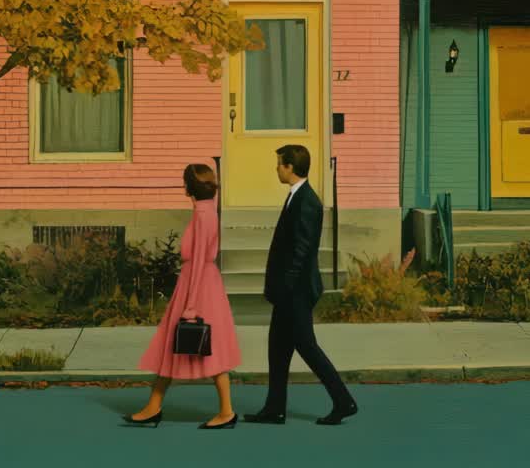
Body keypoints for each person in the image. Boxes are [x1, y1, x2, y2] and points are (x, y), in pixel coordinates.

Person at [243, 144, 359, 426]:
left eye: (279, 164)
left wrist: (286, 289)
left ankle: (343, 401)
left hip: (295, 292)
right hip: (288, 291)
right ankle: (275, 408)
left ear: (290, 168)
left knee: (307, 347)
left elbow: (301, 251)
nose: (276, 168)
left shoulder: (307, 202)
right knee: (278, 349)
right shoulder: (297, 196)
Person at [124, 161, 241, 430]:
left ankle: (224, 411)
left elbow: (199, 259)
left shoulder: (203, 215)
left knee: (188, 347)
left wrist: (190, 305)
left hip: (196, 287)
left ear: (190, 187)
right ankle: (157, 406)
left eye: (184, 181)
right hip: (205, 285)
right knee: (206, 349)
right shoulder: (207, 210)